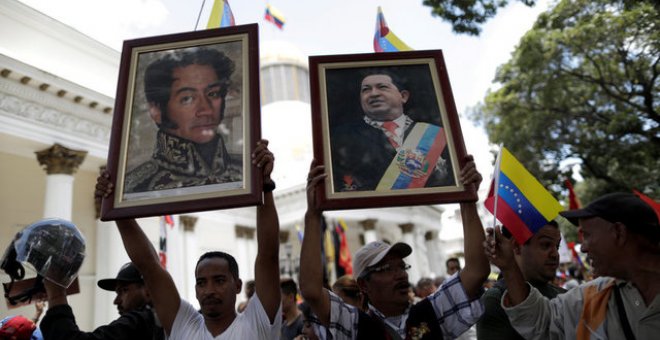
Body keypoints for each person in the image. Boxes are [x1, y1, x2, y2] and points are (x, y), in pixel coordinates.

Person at [96, 139, 281, 339]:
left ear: (237, 285)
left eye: (219, 280)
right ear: (195, 289)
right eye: (202, 283)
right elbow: (148, 266)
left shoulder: (256, 324)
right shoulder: (184, 326)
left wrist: (265, 186)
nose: (209, 290)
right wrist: (115, 205)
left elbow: (268, 255)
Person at [300, 155, 490, 339]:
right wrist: (313, 215)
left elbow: (477, 271)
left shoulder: (433, 311)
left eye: (401, 266)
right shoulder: (354, 325)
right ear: (364, 285)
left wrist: (467, 199)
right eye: (387, 269)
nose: (401, 274)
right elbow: (311, 290)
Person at [484, 192, 660, 339]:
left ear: (618, 233)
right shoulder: (592, 296)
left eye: (588, 235)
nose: (583, 247)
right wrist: (509, 266)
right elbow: (540, 322)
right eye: (546, 245)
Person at [124, 47, 241, 193]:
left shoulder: (246, 173)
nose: (206, 109)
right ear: (156, 110)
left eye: (213, 94)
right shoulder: (134, 187)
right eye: (187, 98)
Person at [330, 68, 453, 192]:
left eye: (382, 87)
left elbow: (451, 181)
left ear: (403, 96)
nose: (373, 94)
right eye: (366, 90)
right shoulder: (342, 138)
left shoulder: (434, 135)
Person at [476, 222, 565, 340]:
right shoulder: (495, 300)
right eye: (545, 245)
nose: (555, 254)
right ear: (517, 246)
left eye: (557, 246)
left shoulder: (566, 296)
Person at [40, 262, 165, 340]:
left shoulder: (140, 322)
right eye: (117, 293)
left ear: (148, 290)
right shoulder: (162, 322)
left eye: (124, 290)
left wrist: (56, 294)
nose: (116, 301)